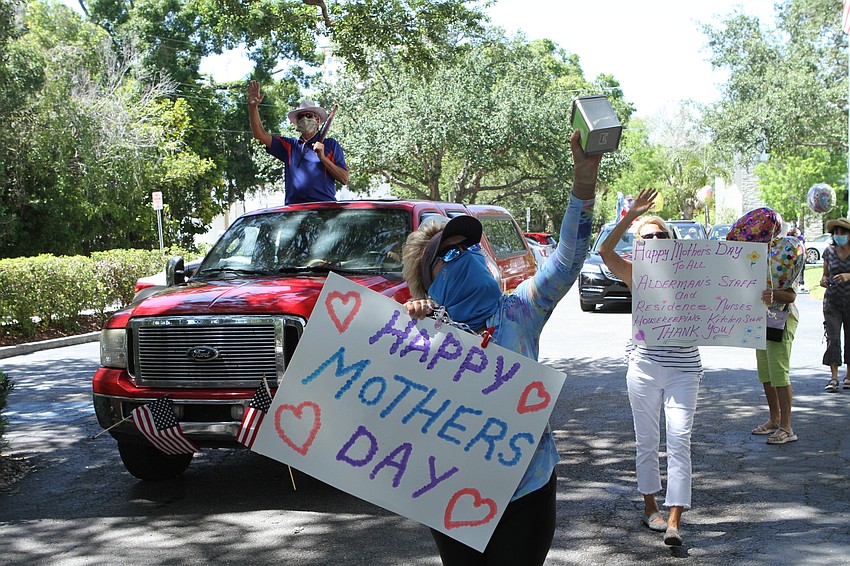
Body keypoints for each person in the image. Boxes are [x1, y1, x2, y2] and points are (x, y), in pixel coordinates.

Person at [401, 130, 602, 566]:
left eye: (469, 246)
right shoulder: (417, 334)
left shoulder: (519, 313)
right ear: (430, 280)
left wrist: (583, 184)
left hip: (526, 489)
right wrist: (411, 325)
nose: (466, 254)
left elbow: (567, 259)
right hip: (448, 493)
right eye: (449, 253)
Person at [596, 188, 702, 547]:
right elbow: (604, 252)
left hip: (684, 369)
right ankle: (650, 508)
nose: (655, 240)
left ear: (671, 241)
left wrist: (760, 297)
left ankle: (675, 520)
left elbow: (736, 292)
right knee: (646, 442)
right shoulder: (634, 273)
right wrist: (631, 217)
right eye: (647, 236)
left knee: (679, 440)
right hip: (643, 366)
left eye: (660, 235)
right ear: (638, 245)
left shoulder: (695, 274)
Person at [247, 80, 349, 205]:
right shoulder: (290, 146)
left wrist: (323, 158)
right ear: (297, 122)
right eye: (301, 117)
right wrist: (253, 107)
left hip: (324, 210)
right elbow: (260, 134)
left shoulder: (330, 144)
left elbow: (344, 178)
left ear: (317, 120)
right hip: (294, 211)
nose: (305, 119)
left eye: (309, 115)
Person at [821, 218, 850, 392]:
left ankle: (848, 376)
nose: (839, 236)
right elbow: (825, 274)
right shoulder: (829, 252)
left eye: (843, 232)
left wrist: (848, 276)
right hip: (832, 301)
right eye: (836, 233)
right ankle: (833, 377)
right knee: (833, 338)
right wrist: (824, 279)